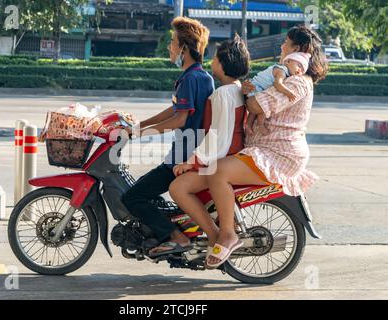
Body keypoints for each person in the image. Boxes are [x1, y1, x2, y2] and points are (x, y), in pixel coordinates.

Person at [175, 25, 328, 269]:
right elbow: (253, 95)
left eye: (286, 43)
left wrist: (251, 93)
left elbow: (256, 106)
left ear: (297, 50)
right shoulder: (283, 76)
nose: (281, 47)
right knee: (179, 186)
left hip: (279, 154)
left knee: (218, 171)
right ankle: (211, 233)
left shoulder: (299, 83)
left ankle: (227, 234)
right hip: (258, 149)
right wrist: (250, 91)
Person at [148, 35, 251, 257]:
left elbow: (218, 136)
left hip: (219, 159)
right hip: (229, 156)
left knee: (177, 188)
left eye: (215, 58)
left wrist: (191, 162)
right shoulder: (236, 89)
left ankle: (214, 235)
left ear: (223, 64)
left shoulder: (223, 94)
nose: (211, 61)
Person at [121, 17, 214, 256]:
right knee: (145, 192)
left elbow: (179, 120)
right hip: (189, 152)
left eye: (173, 42)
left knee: (132, 197)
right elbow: (174, 110)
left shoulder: (190, 79)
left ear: (184, 48)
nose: (169, 47)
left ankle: (175, 237)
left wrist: (139, 134)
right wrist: (141, 125)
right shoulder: (199, 76)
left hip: (182, 158)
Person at [246, 51, 312, 135]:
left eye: (302, 70)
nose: (300, 70)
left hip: (256, 87)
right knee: (263, 107)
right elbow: (278, 84)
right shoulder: (282, 71)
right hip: (256, 87)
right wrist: (289, 93)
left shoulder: (285, 72)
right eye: (299, 66)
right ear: (288, 61)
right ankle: (260, 125)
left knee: (255, 110)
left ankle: (248, 125)